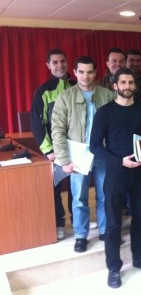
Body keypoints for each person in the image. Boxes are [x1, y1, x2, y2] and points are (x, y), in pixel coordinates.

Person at [90, 68, 141, 289]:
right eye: (123, 82)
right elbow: (95, 147)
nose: (127, 86)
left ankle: (139, 257)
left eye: (131, 82)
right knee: (113, 224)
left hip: (140, 173)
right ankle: (114, 267)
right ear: (115, 85)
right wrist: (120, 162)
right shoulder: (104, 113)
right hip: (116, 174)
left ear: (135, 85)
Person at [51, 56, 115, 253]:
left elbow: (116, 128)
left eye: (89, 72)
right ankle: (81, 235)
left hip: (102, 154)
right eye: (81, 72)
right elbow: (57, 130)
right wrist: (64, 160)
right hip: (78, 156)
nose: (85, 76)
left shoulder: (108, 95)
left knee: (105, 195)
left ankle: (105, 230)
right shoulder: (65, 97)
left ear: (96, 73)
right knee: (79, 197)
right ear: (75, 72)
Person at [30, 48, 76, 241]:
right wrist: (48, 150)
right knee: (55, 188)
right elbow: (36, 122)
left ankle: (77, 219)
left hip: (77, 148)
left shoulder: (77, 84)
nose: (60, 65)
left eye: (62, 61)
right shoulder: (43, 91)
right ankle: (58, 223)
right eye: (55, 62)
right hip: (55, 151)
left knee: (76, 185)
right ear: (48, 65)